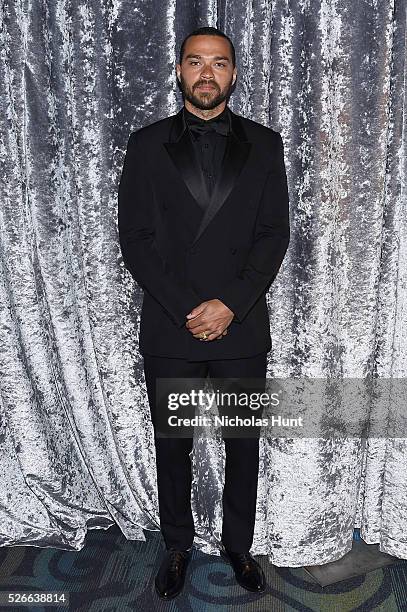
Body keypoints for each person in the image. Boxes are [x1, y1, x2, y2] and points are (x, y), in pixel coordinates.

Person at [118, 26, 290, 600]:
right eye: (196, 62)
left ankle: (238, 546)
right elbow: (136, 239)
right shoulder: (145, 146)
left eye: (219, 63)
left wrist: (231, 305)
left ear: (234, 73)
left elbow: (273, 236)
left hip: (241, 327)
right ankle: (176, 546)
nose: (207, 73)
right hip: (173, 327)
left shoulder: (266, 145)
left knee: (244, 444)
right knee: (174, 444)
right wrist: (190, 308)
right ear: (180, 70)